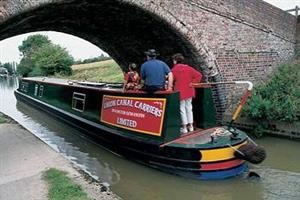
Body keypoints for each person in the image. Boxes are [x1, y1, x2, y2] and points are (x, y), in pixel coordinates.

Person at [171, 53, 202, 134]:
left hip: (180, 91)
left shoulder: (174, 69)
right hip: (189, 90)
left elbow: (171, 80)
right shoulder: (189, 68)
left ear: (175, 61)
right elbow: (199, 75)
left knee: (182, 109)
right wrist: (192, 83)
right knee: (189, 108)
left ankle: (184, 127)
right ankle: (191, 126)